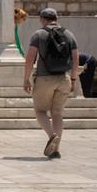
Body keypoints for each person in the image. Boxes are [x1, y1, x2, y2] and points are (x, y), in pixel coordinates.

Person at [23, 8, 80, 160]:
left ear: (42, 19)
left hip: (44, 78)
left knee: (40, 111)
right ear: (56, 18)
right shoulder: (69, 34)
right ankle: (56, 149)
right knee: (57, 113)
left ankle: (51, 136)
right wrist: (73, 79)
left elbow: (30, 59)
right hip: (63, 78)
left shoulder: (39, 34)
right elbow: (76, 60)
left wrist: (26, 79)